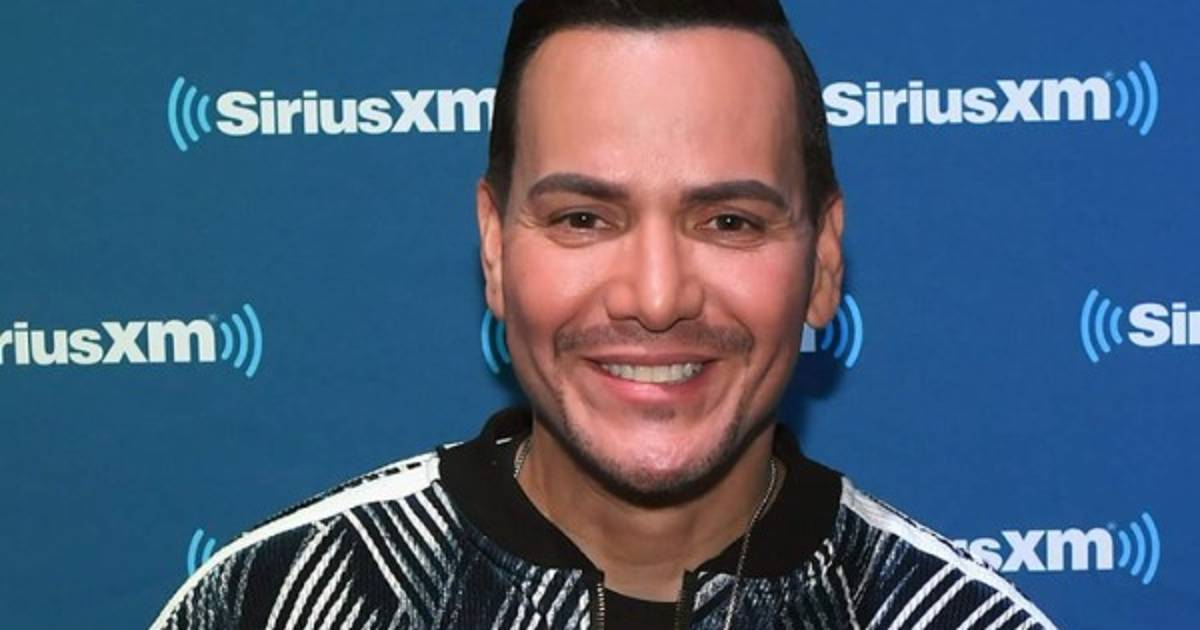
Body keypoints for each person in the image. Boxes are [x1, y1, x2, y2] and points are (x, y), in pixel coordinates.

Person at [152, 1, 1056, 628]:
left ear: (822, 264)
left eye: (729, 222)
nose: (655, 298)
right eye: (584, 219)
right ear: (495, 252)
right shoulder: (268, 605)